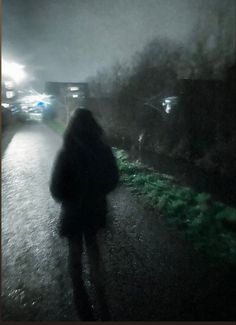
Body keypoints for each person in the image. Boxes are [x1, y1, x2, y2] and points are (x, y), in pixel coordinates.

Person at [50, 108, 119, 320]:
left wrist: (67, 197)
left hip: (73, 211)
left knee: (75, 248)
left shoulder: (66, 151)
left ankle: (78, 289)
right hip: (95, 208)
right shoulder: (103, 150)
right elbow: (113, 178)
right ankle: (99, 287)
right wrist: (98, 192)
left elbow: (56, 187)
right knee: (93, 246)